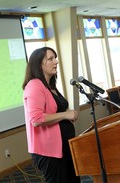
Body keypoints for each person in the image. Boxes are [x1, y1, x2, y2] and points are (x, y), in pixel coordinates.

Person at [22, 47, 81, 183]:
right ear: (39, 65)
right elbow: (36, 119)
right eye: (50, 59)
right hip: (48, 151)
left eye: (55, 58)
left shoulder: (50, 85)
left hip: (65, 146)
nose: (56, 62)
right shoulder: (34, 86)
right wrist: (65, 115)